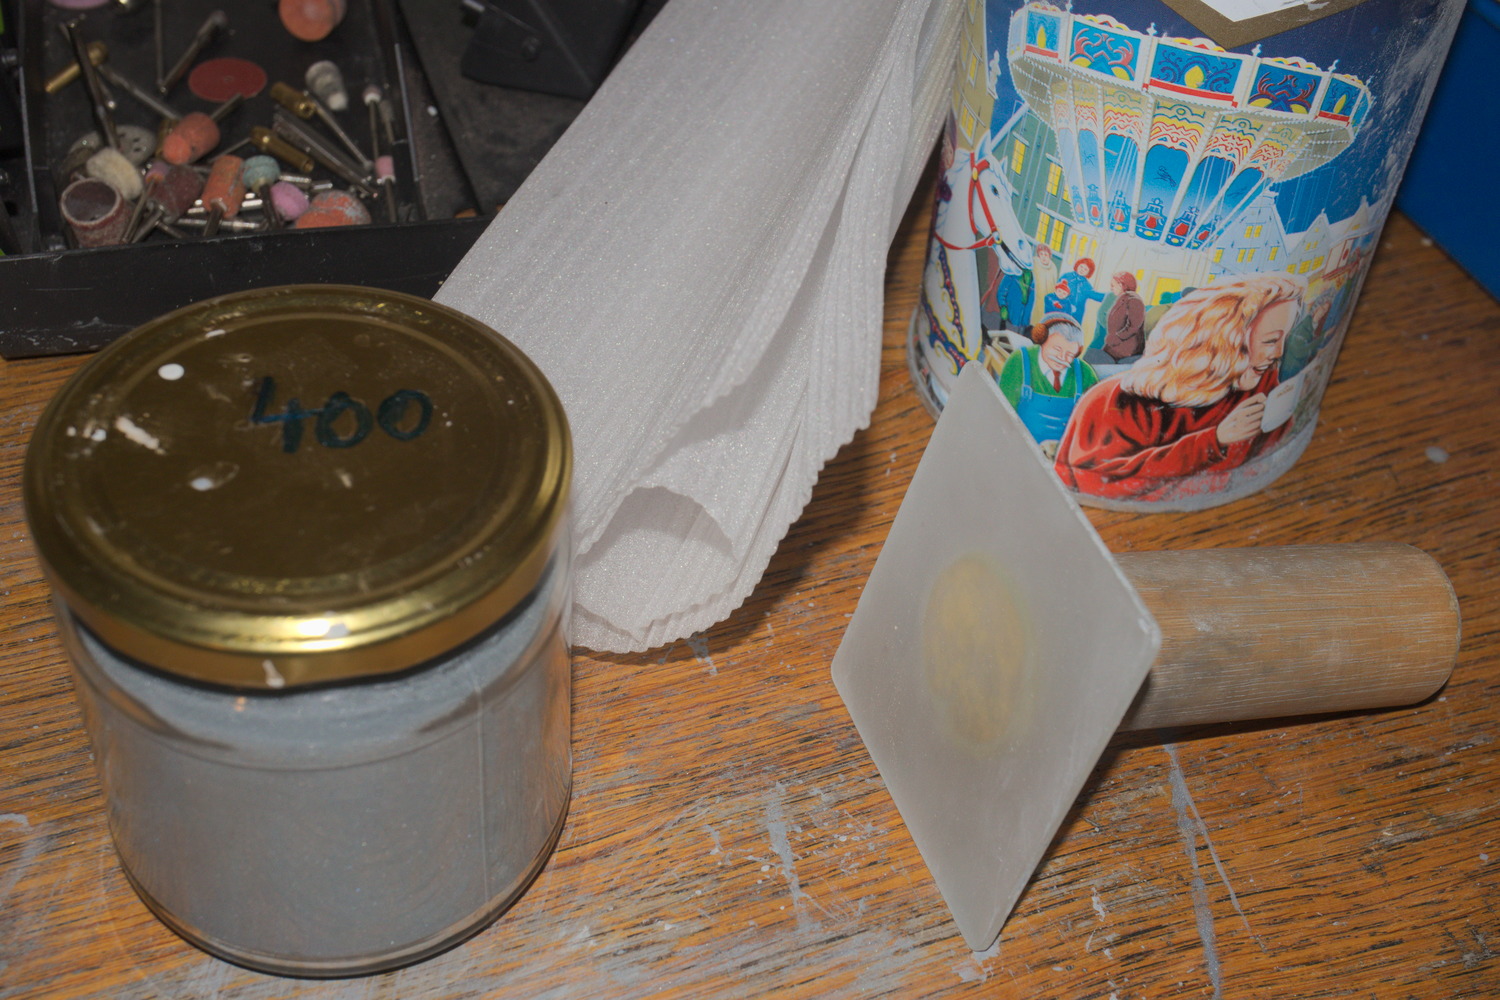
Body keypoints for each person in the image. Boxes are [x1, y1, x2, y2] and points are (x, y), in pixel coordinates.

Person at [1054, 272, 1305, 501]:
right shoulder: (1115, 403)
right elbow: (1098, 482)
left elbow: (1268, 453)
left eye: (1285, 337)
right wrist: (1214, 442)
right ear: (1225, 341)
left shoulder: (1257, 382)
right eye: (1270, 341)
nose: (1279, 353)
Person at [997, 312, 1100, 447]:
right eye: (1057, 349)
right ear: (1042, 340)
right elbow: (1002, 415)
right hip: (1021, 449)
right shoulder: (1019, 361)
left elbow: (1095, 422)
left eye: (1070, 354)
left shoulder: (1085, 372)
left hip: (1066, 453)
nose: (1062, 358)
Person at [1101, 271, 1146, 362]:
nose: (1111, 288)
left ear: (1121, 285)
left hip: (1126, 349)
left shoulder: (1134, 300)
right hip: (1116, 345)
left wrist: (1117, 337)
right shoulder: (1124, 298)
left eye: (1113, 285)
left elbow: (1134, 326)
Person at [1043, 256, 1104, 323]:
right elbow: (1056, 291)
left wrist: (1110, 296)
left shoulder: (1086, 286)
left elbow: (1096, 295)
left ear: (1089, 272)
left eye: (1085, 269)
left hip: (1076, 316)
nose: (1082, 270)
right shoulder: (1066, 276)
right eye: (1081, 267)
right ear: (1077, 265)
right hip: (1061, 311)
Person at [1029, 243, 1059, 326]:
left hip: (1047, 297)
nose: (1043, 257)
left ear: (1049, 256)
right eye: (1041, 254)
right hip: (1035, 295)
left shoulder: (1053, 268)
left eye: (1045, 254)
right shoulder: (1035, 263)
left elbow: (1054, 283)